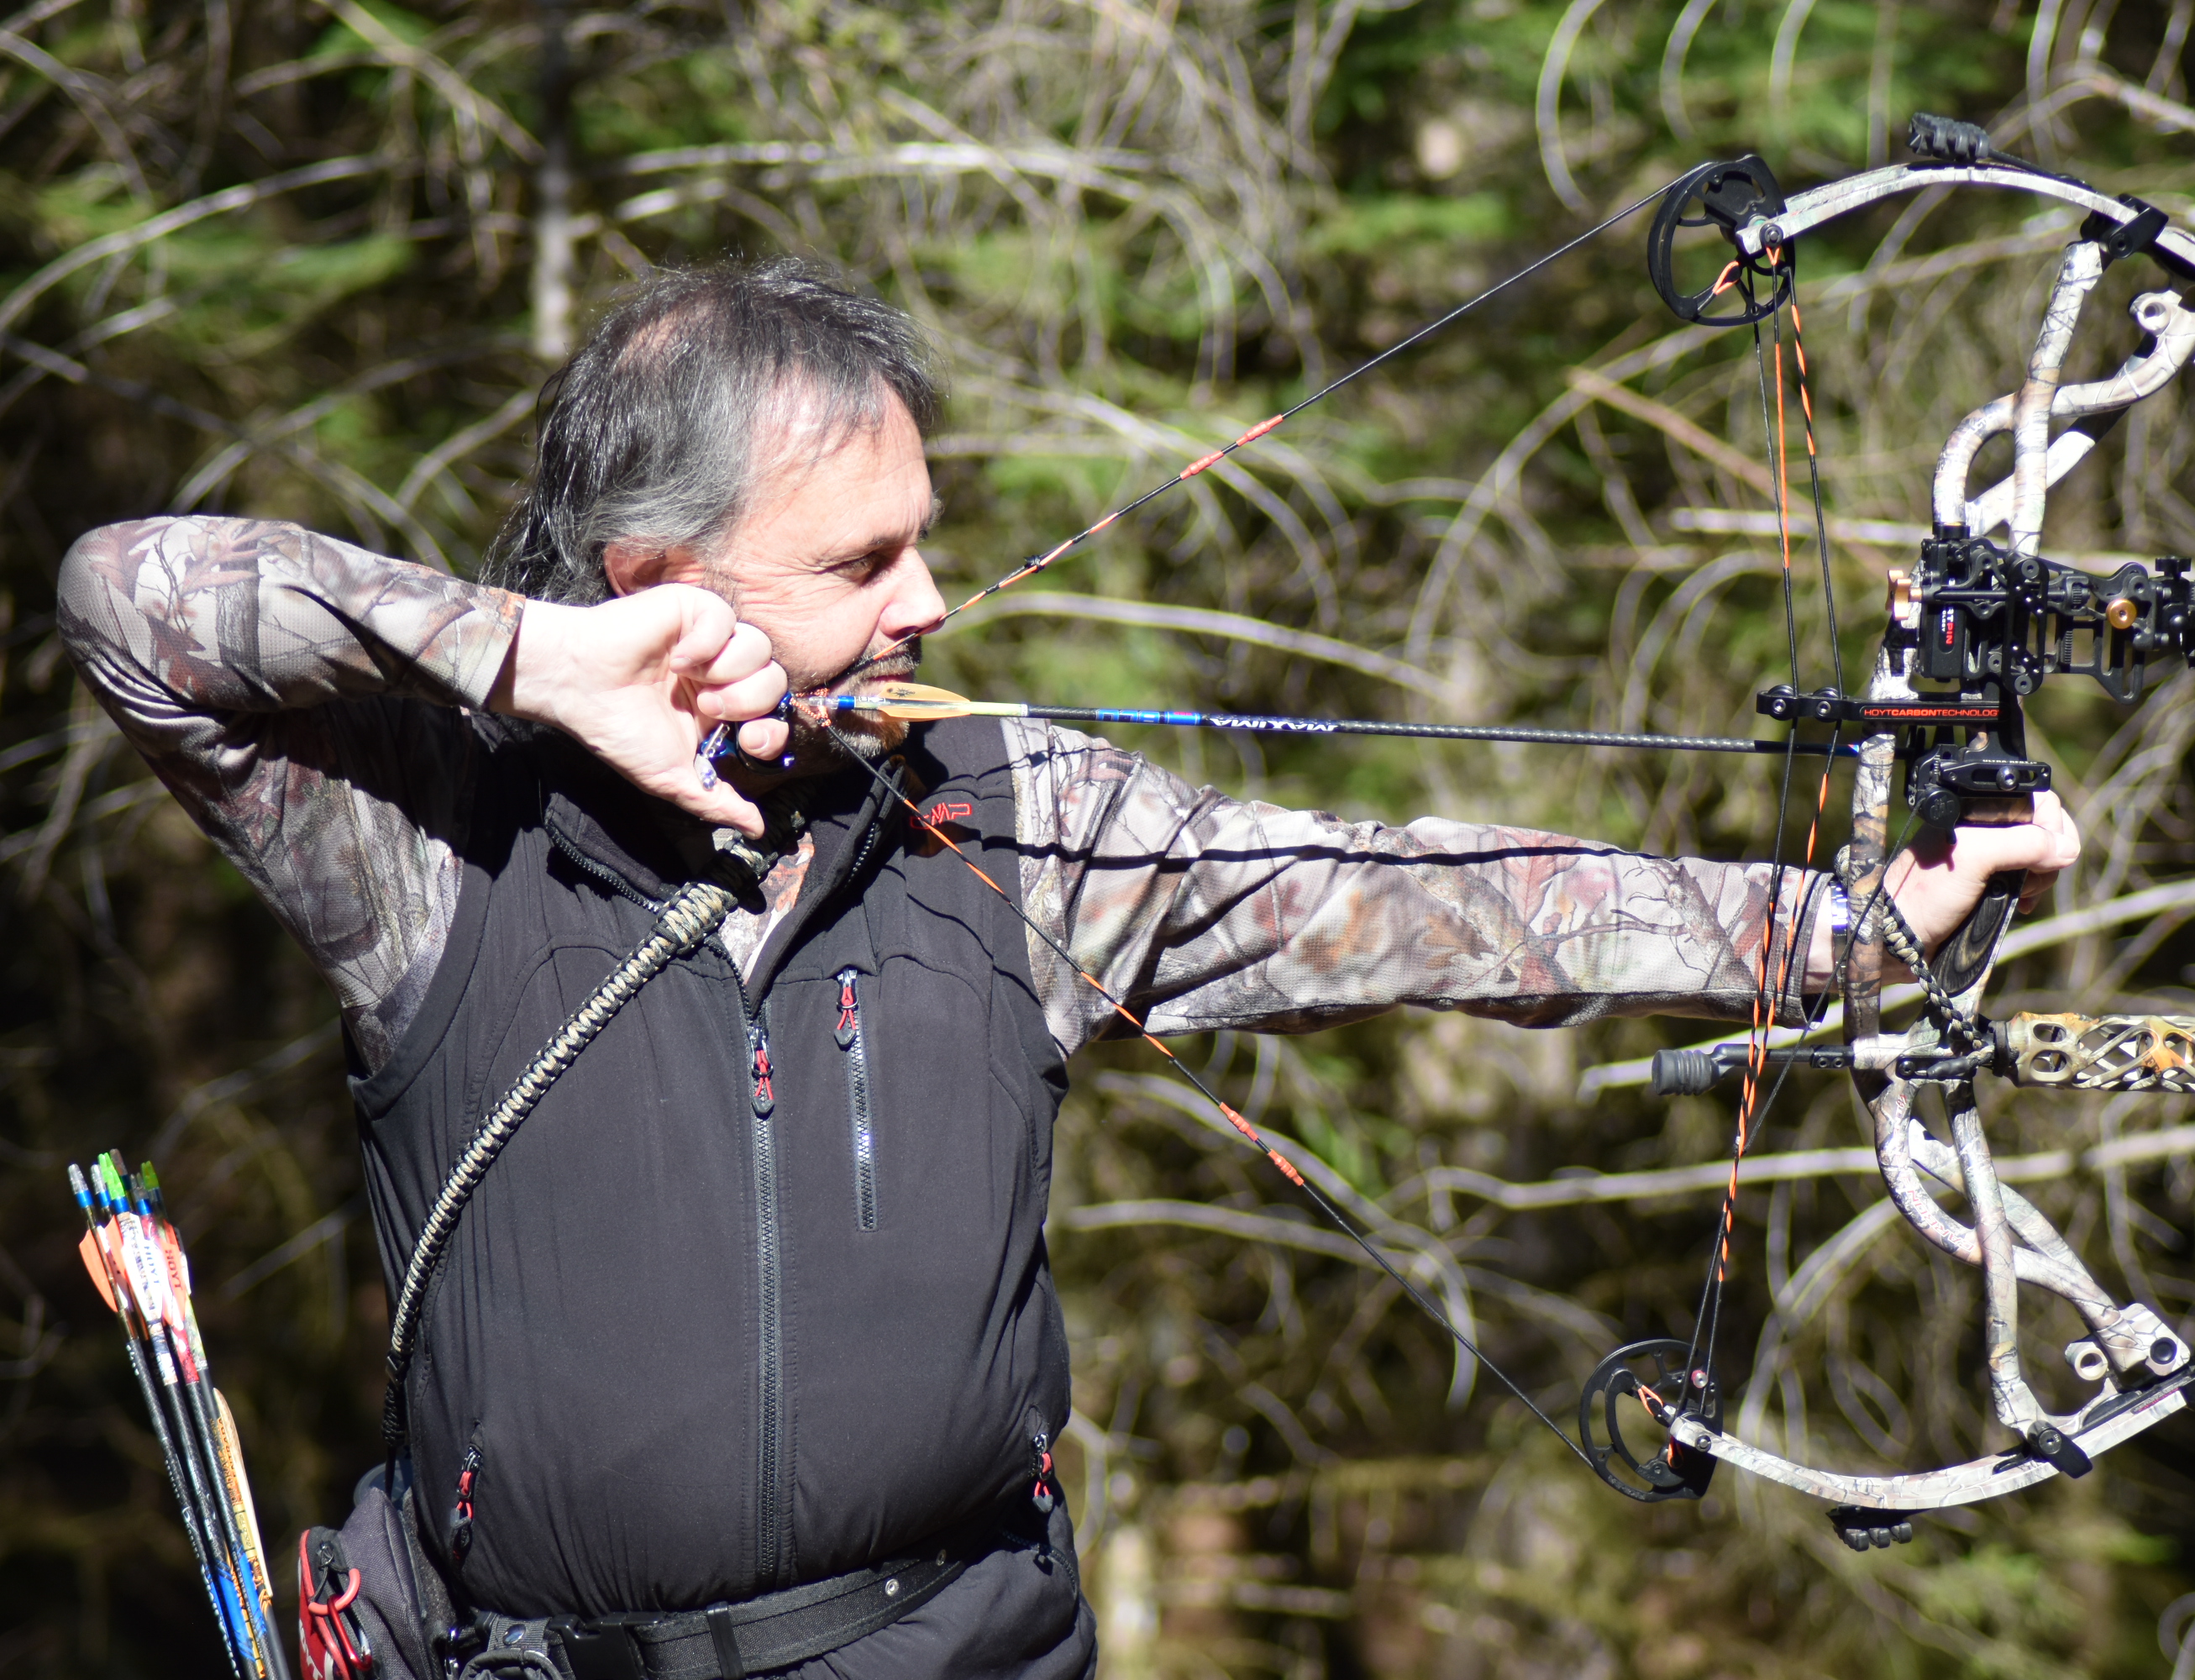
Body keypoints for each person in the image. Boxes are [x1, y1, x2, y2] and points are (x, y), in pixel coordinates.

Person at [57, 258, 2077, 1677]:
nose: (928, 600)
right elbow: (128, 601)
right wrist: (530, 660)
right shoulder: (432, 839)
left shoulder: (1013, 817)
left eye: (922, 539)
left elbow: (1421, 901)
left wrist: (1838, 929)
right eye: (860, 564)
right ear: (658, 584)